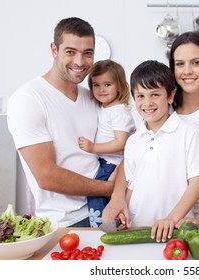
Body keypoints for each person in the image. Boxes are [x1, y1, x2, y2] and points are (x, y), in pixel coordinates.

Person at [103, 31, 199, 229]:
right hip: (156, 218)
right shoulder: (159, 104)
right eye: (180, 64)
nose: (187, 71)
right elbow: (135, 157)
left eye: (196, 62)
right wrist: (118, 198)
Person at [7, 17, 114, 227]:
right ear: (54, 50)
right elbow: (47, 176)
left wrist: (118, 196)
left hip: (108, 210)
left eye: (88, 53)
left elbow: (115, 149)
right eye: (70, 52)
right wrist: (110, 189)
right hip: (67, 222)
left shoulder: (93, 97)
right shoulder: (28, 98)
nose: (80, 62)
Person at [124, 60, 199, 241]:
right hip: (138, 228)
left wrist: (172, 218)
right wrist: (124, 212)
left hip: (176, 229)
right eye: (140, 96)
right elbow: (132, 185)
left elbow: (197, 184)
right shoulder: (132, 141)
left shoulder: (188, 134)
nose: (147, 102)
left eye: (155, 94)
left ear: (170, 96)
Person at [78, 59, 136, 227]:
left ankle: (102, 228)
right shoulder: (106, 107)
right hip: (107, 162)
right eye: (96, 85)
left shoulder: (118, 111)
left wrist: (93, 147)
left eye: (107, 84)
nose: (101, 89)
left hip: (113, 163)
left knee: (95, 194)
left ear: (120, 86)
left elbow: (121, 142)